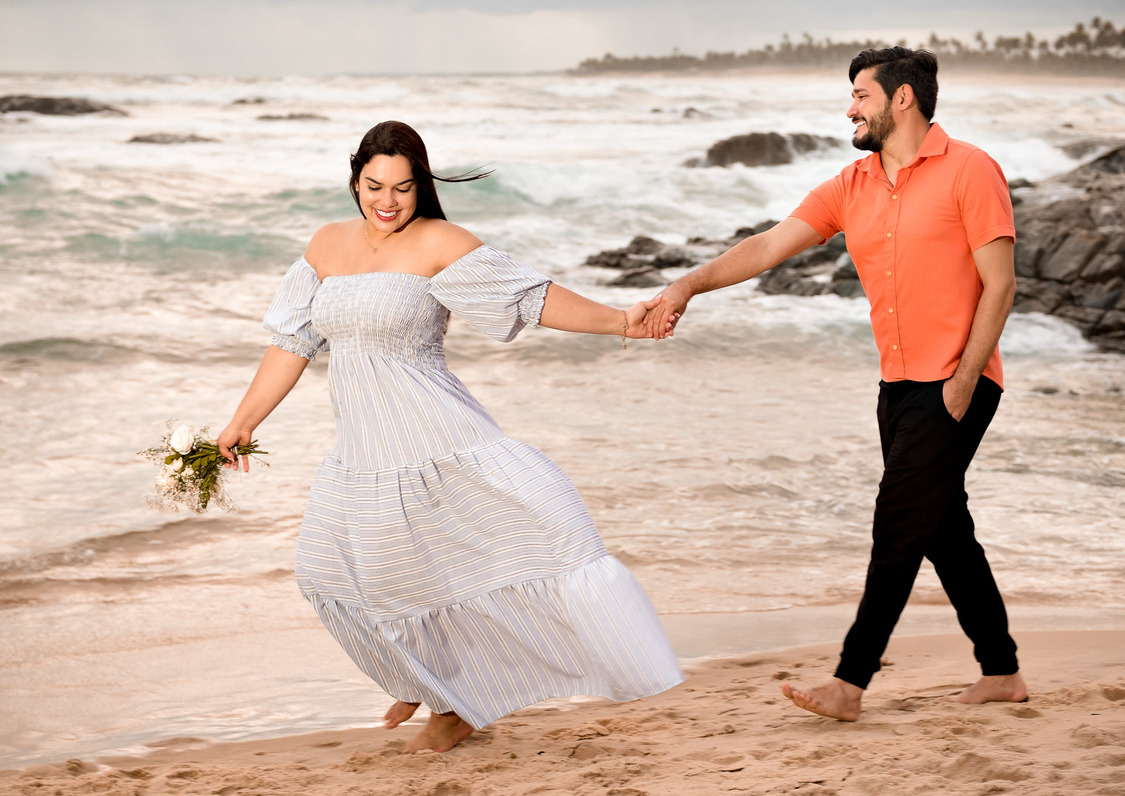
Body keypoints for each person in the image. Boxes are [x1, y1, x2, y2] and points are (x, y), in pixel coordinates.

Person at [218, 120, 682, 753]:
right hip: (361, 449)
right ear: (355, 181)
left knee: (501, 547)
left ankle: (452, 705)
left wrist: (619, 324)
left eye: (404, 188)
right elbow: (292, 342)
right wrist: (244, 421)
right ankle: (429, 685)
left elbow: (531, 300)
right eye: (375, 186)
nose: (388, 202)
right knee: (327, 575)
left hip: (434, 433)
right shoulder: (325, 245)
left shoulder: (442, 242)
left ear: (422, 186)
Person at [645, 47, 1026, 721]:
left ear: (901, 99)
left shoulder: (971, 169)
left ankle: (850, 682)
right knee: (942, 529)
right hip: (896, 386)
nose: (849, 107)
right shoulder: (852, 185)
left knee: (898, 525)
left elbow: (1001, 284)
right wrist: (688, 285)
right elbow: (766, 246)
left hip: (955, 382)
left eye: (860, 95)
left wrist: (965, 381)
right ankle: (1000, 671)